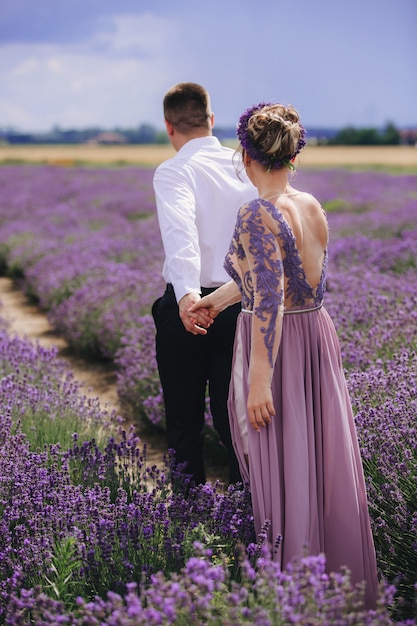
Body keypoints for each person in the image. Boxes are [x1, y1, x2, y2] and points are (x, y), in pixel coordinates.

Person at [190, 102, 378, 608]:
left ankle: (294, 593)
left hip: (277, 352)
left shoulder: (255, 212)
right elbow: (273, 280)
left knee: (283, 465)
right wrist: (217, 300)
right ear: (293, 156)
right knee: (319, 460)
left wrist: (257, 379)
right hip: (314, 340)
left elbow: (269, 299)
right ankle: (337, 587)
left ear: (246, 157)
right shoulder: (311, 205)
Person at [151, 82, 256, 486]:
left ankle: (187, 518)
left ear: (168, 126)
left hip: (187, 305)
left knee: (183, 418)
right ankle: (249, 513)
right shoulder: (244, 165)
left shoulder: (175, 170)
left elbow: (180, 234)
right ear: (211, 120)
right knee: (237, 419)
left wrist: (188, 297)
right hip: (240, 303)